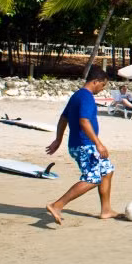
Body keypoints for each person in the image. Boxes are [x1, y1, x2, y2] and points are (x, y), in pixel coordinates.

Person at [45, 65, 118, 224]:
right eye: (103, 84)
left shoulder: (76, 96)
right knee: (93, 178)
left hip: (80, 144)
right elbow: (84, 121)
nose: (102, 88)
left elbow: (63, 119)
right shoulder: (86, 97)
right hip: (85, 145)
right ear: (96, 81)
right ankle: (57, 205)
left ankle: (106, 210)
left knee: (107, 171)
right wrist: (99, 144)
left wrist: (58, 140)